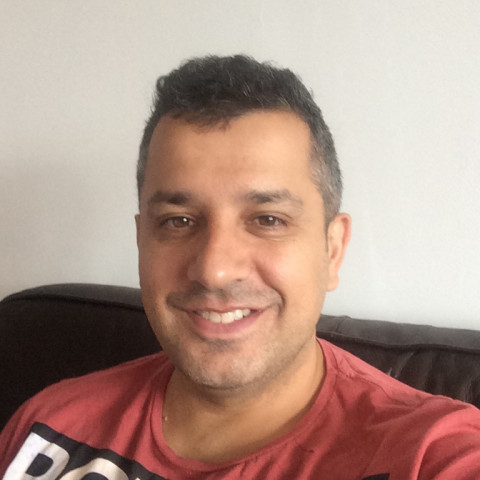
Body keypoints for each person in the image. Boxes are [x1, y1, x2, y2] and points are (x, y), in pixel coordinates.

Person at [1, 55, 480, 480]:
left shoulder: (430, 454)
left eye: (268, 219)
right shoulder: (47, 425)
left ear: (332, 250)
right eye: (178, 221)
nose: (214, 270)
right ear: (142, 239)